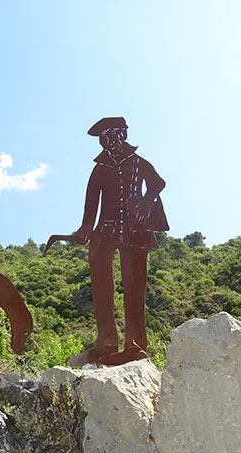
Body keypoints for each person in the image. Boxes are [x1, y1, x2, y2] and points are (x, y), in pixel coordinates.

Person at [69, 117, 169, 366]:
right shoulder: (101, 167)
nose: (107, 142)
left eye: (111, 136)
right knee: (100, 276)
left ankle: (135, 346)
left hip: (135, 231)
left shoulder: (138, 163)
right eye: (104, 139)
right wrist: (85, 227)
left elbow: (158, 183)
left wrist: (146, 202)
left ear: (122, 135)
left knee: (134, 286)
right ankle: (106, 343)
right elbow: (92, 199)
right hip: (106, 230)